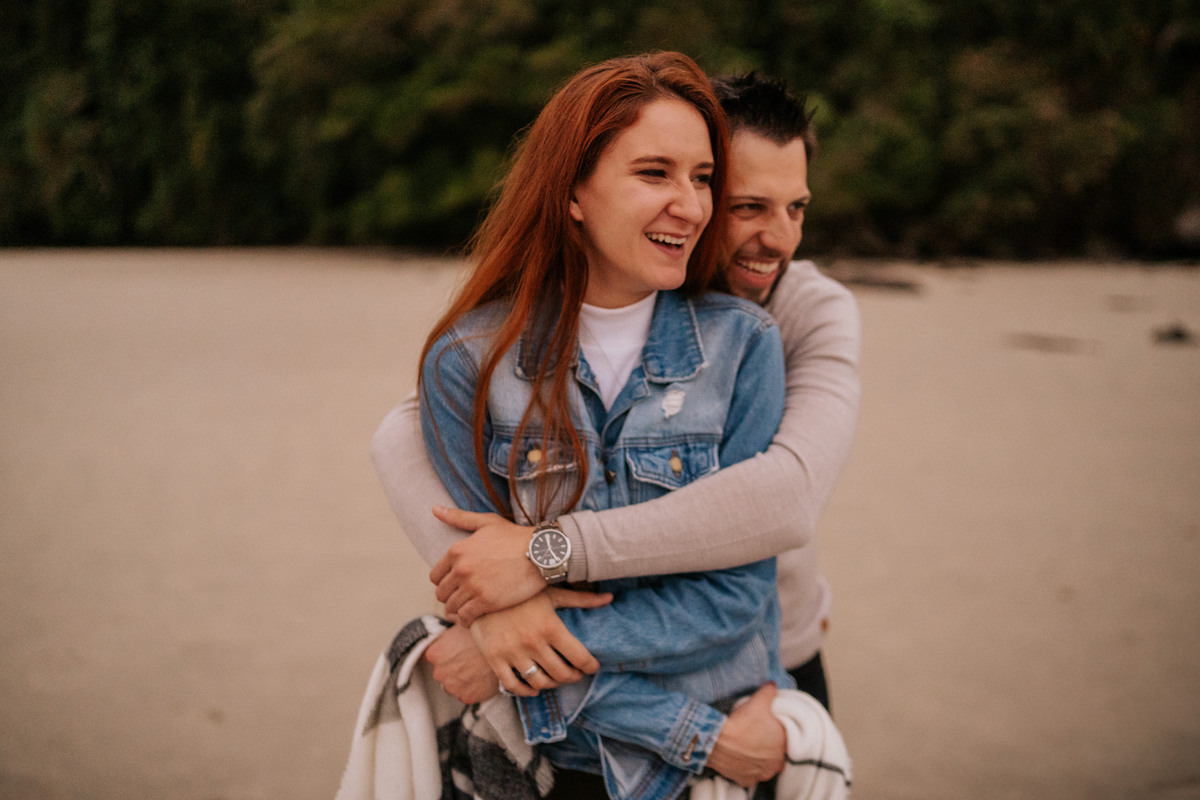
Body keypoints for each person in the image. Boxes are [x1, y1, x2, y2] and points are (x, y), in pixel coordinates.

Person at [372, 71, 861, 792]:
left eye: (796, 209)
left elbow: (777, 516)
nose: (776, 238)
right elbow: (401, 430)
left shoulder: (776, 327)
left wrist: (536, 578)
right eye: (745, 204)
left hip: (757, 666)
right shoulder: (475, 360)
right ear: (573, 190)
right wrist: (494, 621)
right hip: (566, 749)